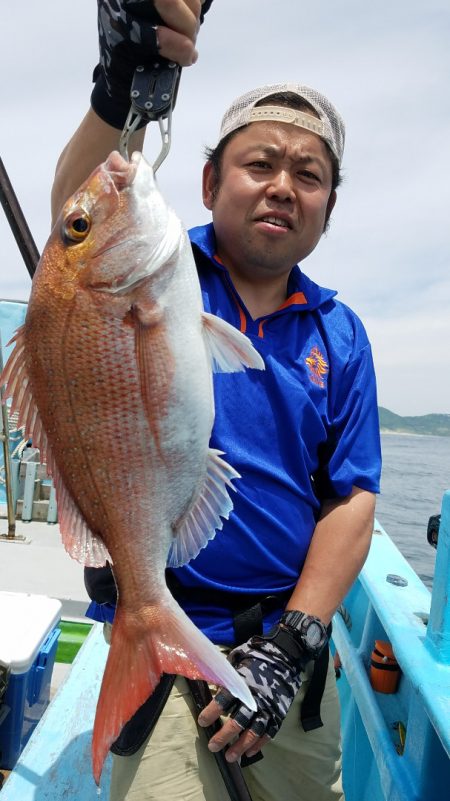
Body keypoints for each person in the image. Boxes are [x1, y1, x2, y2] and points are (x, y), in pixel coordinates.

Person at [52, 3, 382, 800]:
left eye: (309, 176)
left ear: (327, 209)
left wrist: (295, 642)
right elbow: (76, 218)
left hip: (286, 662)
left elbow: (352, 495)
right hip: (166, 644)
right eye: (260, 163)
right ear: (209, 182)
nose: (282, 186)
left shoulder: (341, 334)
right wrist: (119, 86)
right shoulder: (159, 272)